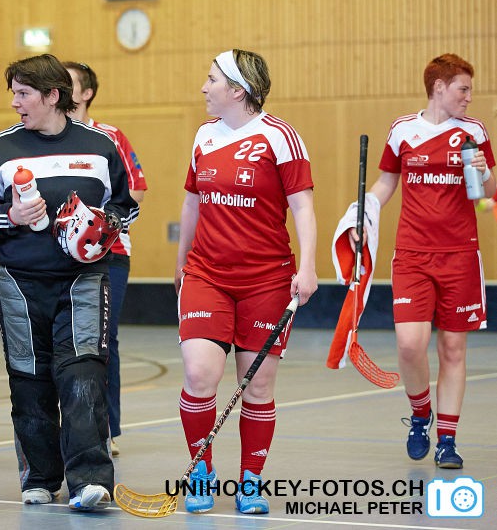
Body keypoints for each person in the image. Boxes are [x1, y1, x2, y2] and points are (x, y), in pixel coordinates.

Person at [0, 53, 139, 511]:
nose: (15, 103)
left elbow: (127, 205)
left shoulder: (101, 147)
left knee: (85, 373)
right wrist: (9, 216)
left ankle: (90, 479)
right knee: (29, 379)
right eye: (13, 93)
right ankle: (40, 479)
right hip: (18, 281)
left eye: (23, 93)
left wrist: (104, 223)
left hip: (83, 280)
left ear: (53, 96)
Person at [175, 48, 317, 515]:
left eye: (211, 78)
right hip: (206, 275)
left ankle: (251, 481)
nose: (204, 87)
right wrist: (180, 265)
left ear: (238, 90)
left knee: (257, 387)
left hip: (267, 282)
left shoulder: (281, 138)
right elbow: (193, 204)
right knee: (200, 374)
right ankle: (201, 471)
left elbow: (302, 207)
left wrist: (309, 266)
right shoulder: (203, 136)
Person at [348, 53, 495, 469]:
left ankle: (447, 439)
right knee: (410, 346)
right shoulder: (402, 130)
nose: (469, 97)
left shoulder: (474, 132)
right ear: (439, 88)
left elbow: (488, 195)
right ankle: (419, 413)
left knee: (452, 347)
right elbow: (385, 183)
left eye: (470, 89)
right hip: (412, 255)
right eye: (463, 89)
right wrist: (360, 213)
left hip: (461, 255)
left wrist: (484, 172)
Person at [62, 61, 148, 456]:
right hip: (55, 261)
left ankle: (106, 427)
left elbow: (137, 192)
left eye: (68, 83)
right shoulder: (43, 137)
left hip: (108, 257)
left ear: (86, 93)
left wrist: (98, 222)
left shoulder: (110, 137)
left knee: (102, 340)